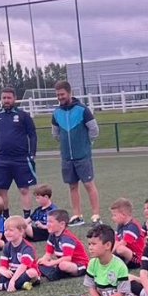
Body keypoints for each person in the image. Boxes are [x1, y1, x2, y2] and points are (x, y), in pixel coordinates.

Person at [41, 223, 135, 296]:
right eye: (89, 244)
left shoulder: (119, 265)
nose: (90, 248)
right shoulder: (92, 263)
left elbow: (121, 294)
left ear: (107, 245)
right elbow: (91, 287)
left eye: (94, 244)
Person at [51, 80, 100, 226]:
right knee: (72, 186)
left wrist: (86, 143)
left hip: (83, 156)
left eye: (62, 94)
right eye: (58, 95)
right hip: (67, 157)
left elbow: (94, 130)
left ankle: (96, 215)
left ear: (70, 93)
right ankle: (77, 215)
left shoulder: (82, 110)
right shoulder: (56, 113)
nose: (60, 97)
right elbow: (55, 133)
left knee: (89, 184)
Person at [0, 86, 37, 215]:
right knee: (2, 191)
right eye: (4, 98)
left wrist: (32, 154)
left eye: (9, 98)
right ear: (1, 99)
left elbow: (32, 135)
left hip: (21, 159)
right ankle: (5, 218)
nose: (6, 100)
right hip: (1, 160)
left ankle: (26, 218)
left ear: (15, 99)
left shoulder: (23, 116)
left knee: (24, 190)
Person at [0, 215, 39, 292]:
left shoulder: (27, 247)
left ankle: (3, 286)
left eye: (11, 230)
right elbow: (2, 266)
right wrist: (4, 271)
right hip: (12, 273)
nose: (7, 233)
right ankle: (21, 285)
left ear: (21, 231)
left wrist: (12, 280)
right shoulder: (6, 246)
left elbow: (23, 267)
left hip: (25, 273)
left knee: (32, 272)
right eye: (6, 230)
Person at [37, 209, 89, 281]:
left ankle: (55, 274)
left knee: (63, 265)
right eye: (47, 221)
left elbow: (67, 258)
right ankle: (55, 273)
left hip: (80, 265)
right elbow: (48, 254)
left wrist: (51, 263)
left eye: (51, 222)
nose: (47, 224)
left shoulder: (67, 238)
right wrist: (43, 260)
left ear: (62, 224)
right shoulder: (52, 235)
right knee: (39, 262)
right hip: (65, 263)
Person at [108, 198, 145, 266]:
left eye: (114, 215)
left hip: (138, 257)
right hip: (127, 254)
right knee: (115, 247)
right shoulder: (120, 226)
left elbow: (123, 243)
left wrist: (108, 255)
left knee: (120, 249)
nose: (112, 218)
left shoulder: (133, 226)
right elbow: (116, 242)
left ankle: (125, 263)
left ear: (123, 215)